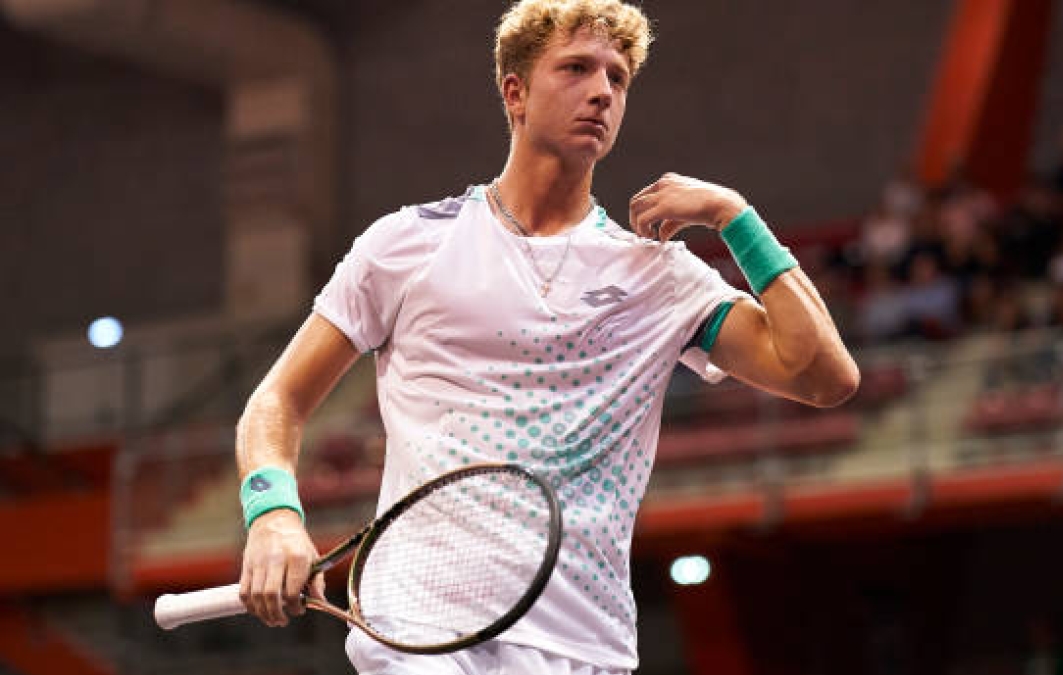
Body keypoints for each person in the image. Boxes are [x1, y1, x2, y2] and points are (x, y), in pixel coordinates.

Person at [234, 1, 860, 673]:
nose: (602, 91)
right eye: (576, 68)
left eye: (618, 79)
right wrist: (272, 514)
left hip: (585, 644)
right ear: (516, 92)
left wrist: (735, 217)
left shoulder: (657, 277)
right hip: (419, 628)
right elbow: (278, 402)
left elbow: (824, 376)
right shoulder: (407, 244)